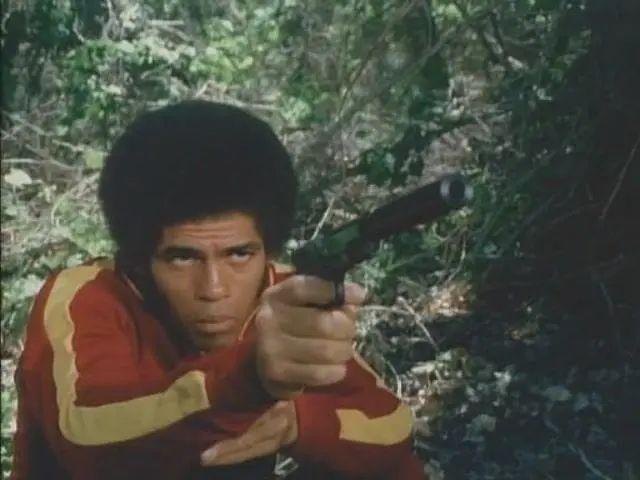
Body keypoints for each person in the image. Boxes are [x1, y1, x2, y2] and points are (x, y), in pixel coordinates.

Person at [11, 100, 426, 479]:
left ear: (267, 251)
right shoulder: (87, 296)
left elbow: (392, 425)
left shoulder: (281, 296)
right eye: (182, 257)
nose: (213, 289)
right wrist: (248, 381)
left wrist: (301, 423)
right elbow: (89, 441)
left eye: (239, 254)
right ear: (140, 259)